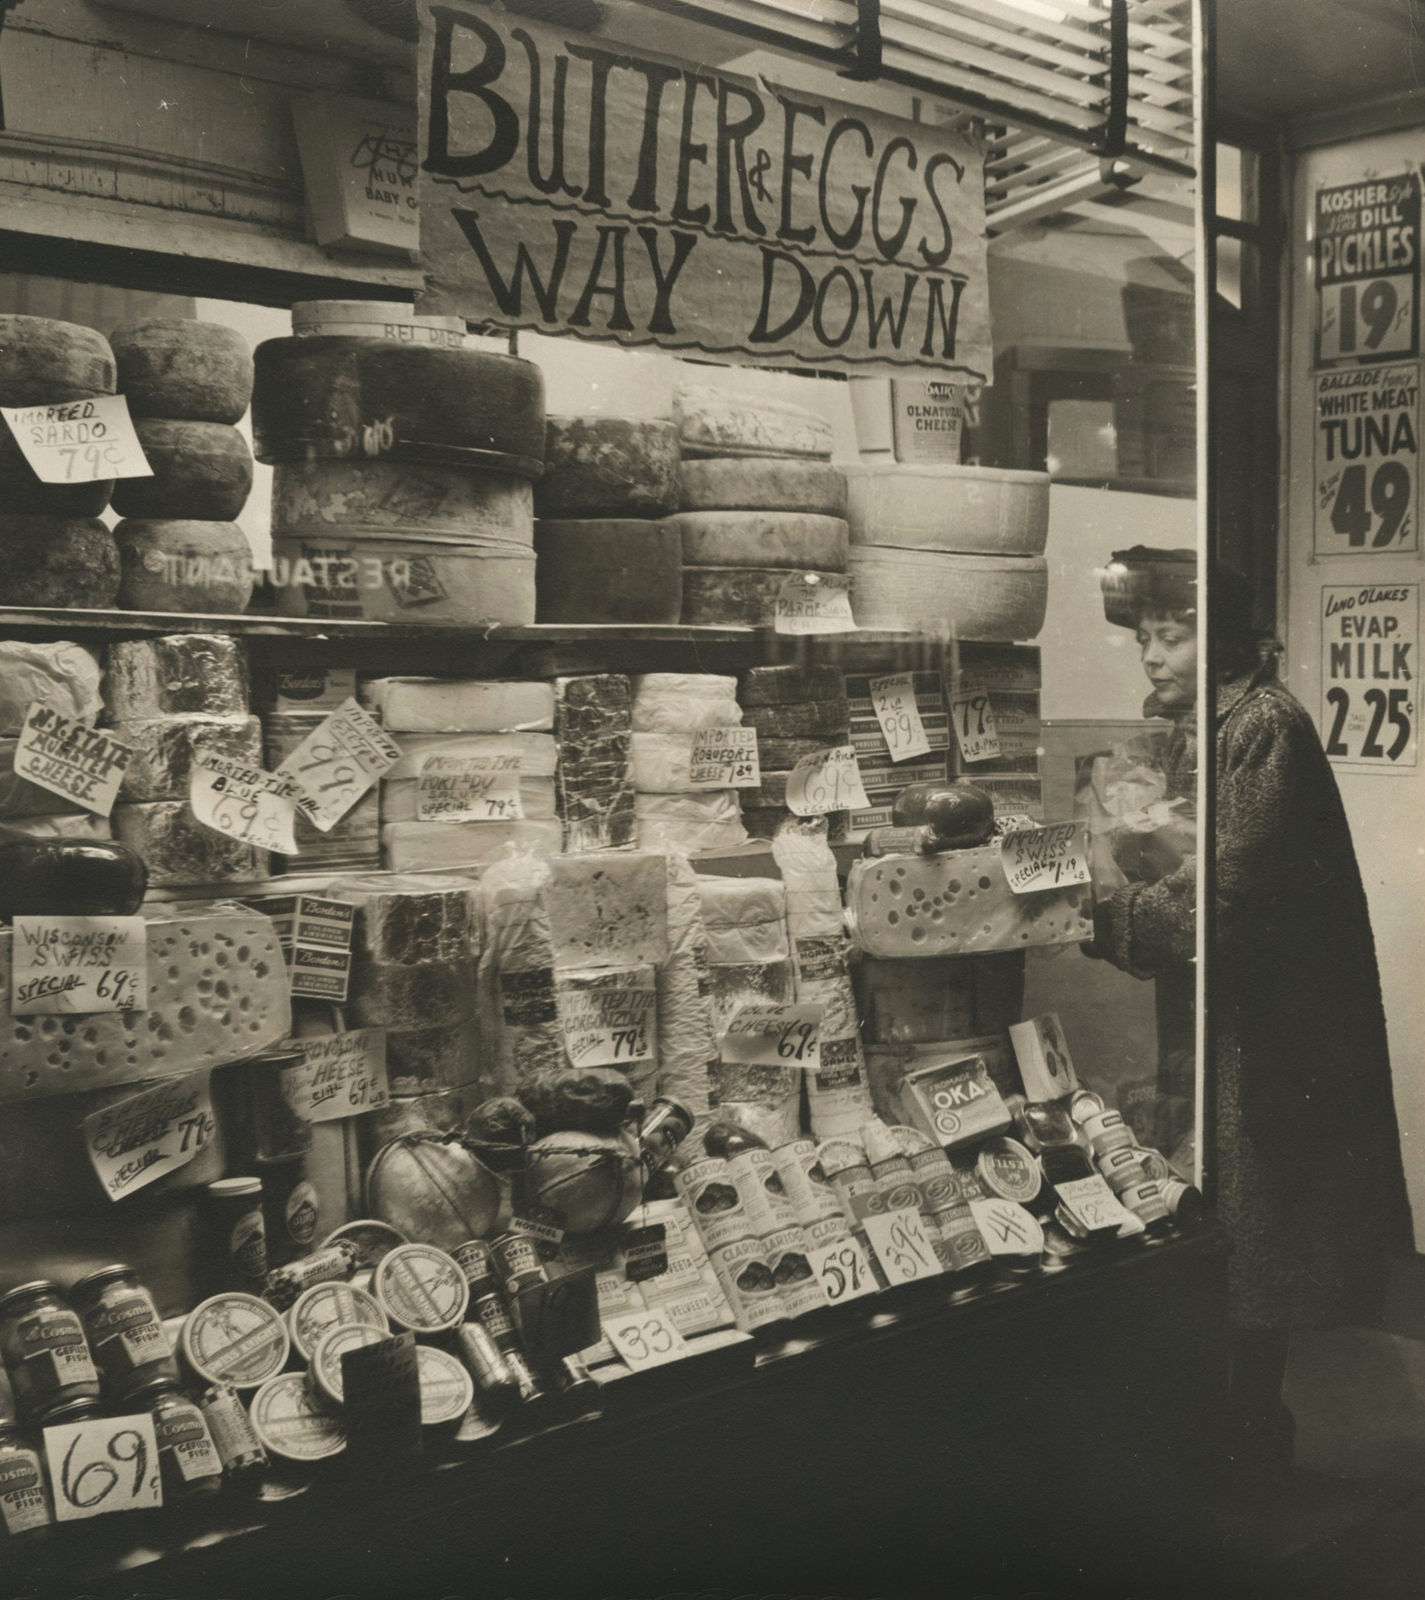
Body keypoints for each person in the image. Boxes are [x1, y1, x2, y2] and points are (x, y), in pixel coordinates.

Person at [1089, 546, 1413, 1472]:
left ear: (1217, 636)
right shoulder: (1201, 721)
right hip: (1224, 1003)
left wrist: (1106, 916)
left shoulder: (1264, 722)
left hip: (1272, 1019)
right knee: (1218, 1202)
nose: (1153, 656)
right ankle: (1221, 1416)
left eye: (1172, 636)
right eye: (1145, 639)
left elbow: (1231, 888)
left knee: (1256, 1216)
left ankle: (1251, 1432)